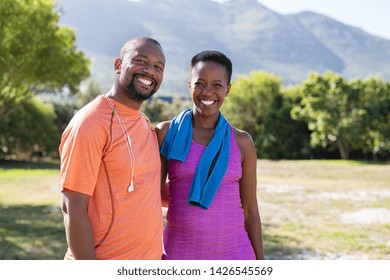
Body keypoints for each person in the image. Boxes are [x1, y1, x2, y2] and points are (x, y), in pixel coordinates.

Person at [59, 37, 165, 260]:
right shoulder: (91, 122)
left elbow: (147, 193)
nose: (150, 71)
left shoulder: (145, 124)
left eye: (158, 67)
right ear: (118, 65)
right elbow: (72, 208)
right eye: (141, 60)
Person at [156, 50, 265, 260]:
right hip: (178, 253)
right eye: (200, 83)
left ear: (228, 89)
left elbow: (251, 210)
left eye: (217, 85)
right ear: (189, 86)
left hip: (236, 254)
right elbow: (150, 196)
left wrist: (261, 264)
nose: (208, 92)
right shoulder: (166, 133)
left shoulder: (243, 143)